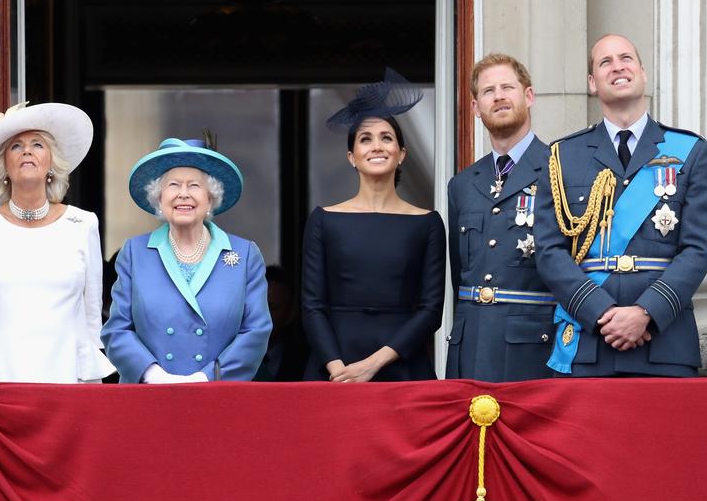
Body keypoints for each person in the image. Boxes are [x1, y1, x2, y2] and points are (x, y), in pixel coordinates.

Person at [533, 34, 707, 376]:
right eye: (605, 62)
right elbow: (548, 250)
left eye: (626, 58)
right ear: (592, 83)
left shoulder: (690, 151)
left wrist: (646, 312)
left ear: (643, 73)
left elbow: (697, 249)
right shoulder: (562, 156)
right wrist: (600, 312)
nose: (617, 66)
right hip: (590, 340)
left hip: (664, 341)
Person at [0, 102, 115, 383]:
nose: (27, 150)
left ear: (51, 161)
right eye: (15, 146)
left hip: (66, 377)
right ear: (3, 166)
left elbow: (91, 320)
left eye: (37, 144)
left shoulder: (83, 223)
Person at [302, 69, 445, 382]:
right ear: (352, 156)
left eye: (386, 138)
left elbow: (431, 310)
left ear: (402, 153)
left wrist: (374, 363)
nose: (377, 146)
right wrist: (337, 368)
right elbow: (312, 306)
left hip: (402, 365)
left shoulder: (428, 223)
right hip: (333, 367)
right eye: (365, 139)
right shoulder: (323, 219)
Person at [102, 137, 272, 383]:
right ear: (159, 199)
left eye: (194, 185)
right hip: (148, 397)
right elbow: (117, 330)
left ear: (211, 198)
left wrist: (206, 377)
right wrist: (153, 375)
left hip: (219, 396)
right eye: (173, 185)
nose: (183, 194)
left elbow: (256, 332)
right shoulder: (135, 252)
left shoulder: (244, 254)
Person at [445, 54, 556, 381]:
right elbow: (459, 275)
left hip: (533, 347)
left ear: (529, 96)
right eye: (489, 91)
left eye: (508, 86)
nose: (499, 96)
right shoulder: (463, 184)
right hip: (471, 345)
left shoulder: (559, 169)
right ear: (476, 107)